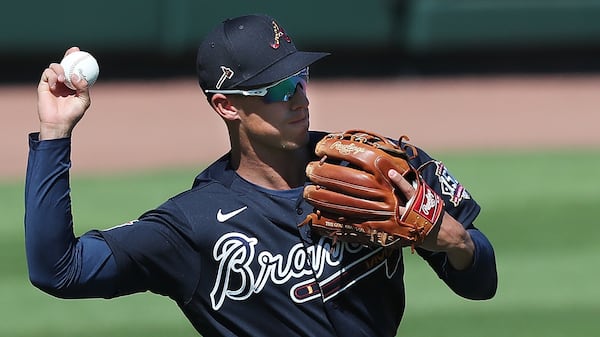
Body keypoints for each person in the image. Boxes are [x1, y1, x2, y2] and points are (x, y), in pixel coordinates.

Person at [25, 14, 497, 337]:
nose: (299, 97)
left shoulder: (373, 165)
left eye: (301, 77)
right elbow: (58, 271)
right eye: (278, 87)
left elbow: (481, 281)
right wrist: (54, 133)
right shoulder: (194, 226)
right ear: (227, 105)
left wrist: (455, 242)